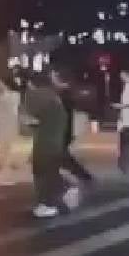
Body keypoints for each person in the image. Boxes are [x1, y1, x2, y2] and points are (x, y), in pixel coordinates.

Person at [25, 72, 80, 218]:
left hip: (46, 142)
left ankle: (49, 203)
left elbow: (30, 119)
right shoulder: (53, 97)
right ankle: (54, 197)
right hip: (54, 141)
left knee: (43, 173)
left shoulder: (40, 96)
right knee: (47, 172)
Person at [50, 67, 94, 188]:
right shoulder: (64, 93)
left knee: (60, 157)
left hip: (63, 131)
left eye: (53, 76)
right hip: (63, 130)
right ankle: (82, 177)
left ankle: (83, 177)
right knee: (61, 157)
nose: (52, 78)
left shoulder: (65, 94)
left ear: (59, 78)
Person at [0, 71, 24, 185]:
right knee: (4, 152)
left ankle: (7, 177)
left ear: (4, 83)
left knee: (6, 153)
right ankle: (6, 176)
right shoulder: (9, 95)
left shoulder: (9, 96)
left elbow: (11, 111)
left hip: (7, 125)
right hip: (5, 125)